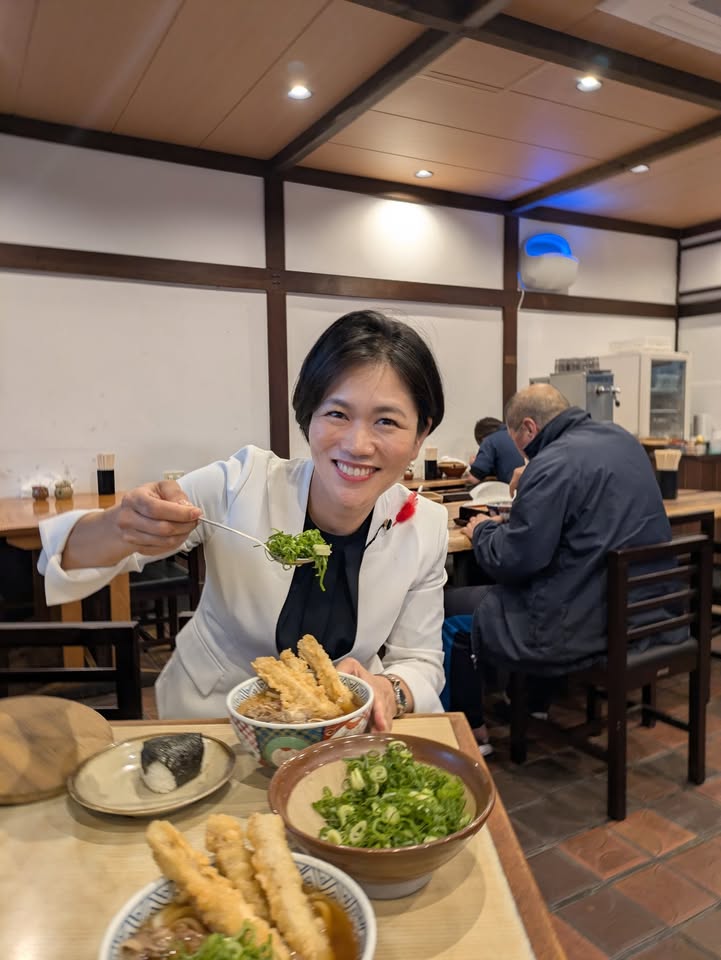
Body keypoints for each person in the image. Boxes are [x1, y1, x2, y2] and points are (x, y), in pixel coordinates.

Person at [38, 310, 449, 728]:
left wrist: (389, 688)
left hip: (342, 729)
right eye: (337, 414)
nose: (358, 445)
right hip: (213, 722)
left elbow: (421, 660)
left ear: (420, 435)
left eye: (386, 421)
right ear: (308, 417)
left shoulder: (424, 527)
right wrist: (123, 527)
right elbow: (65, 557)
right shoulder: (241, 483)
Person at [456, 383, 683, 751]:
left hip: (587, 623)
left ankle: (471, 732)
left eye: (518, 442)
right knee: (552, 584)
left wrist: (482, 530)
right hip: (650, 613)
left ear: (529, 429)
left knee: (454, 608)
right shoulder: (622, 439)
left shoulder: (554, 462)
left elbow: (513, 560)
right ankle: (536, 703)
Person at [469, 416, 524, 484]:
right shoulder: (517, 433)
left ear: (482, 439)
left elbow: (474, 479)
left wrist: (474, 464)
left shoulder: (490, 440)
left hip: (516, 490)